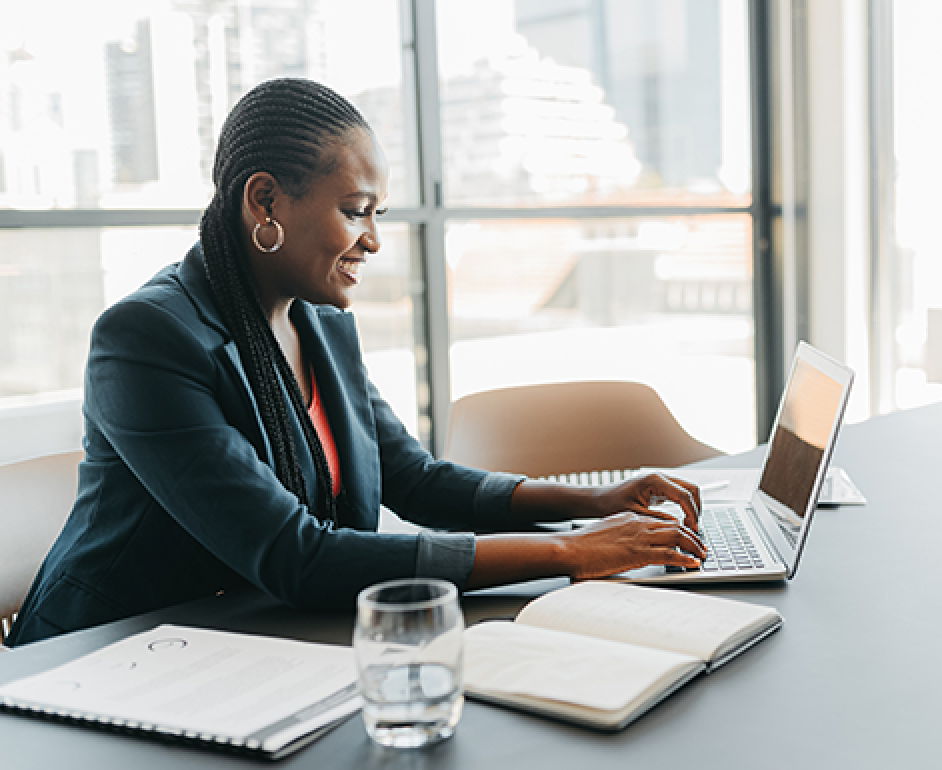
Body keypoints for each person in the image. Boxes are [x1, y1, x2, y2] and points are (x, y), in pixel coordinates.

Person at [7, 79, 706, 647]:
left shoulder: (317, 320)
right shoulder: (147, 340)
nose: (374, 241)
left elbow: (413, 477)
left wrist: (592, 503)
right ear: (265, 201)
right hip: (111, 659)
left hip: (256, 638)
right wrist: (568, 553)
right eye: (357, 210)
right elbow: (296, 555)